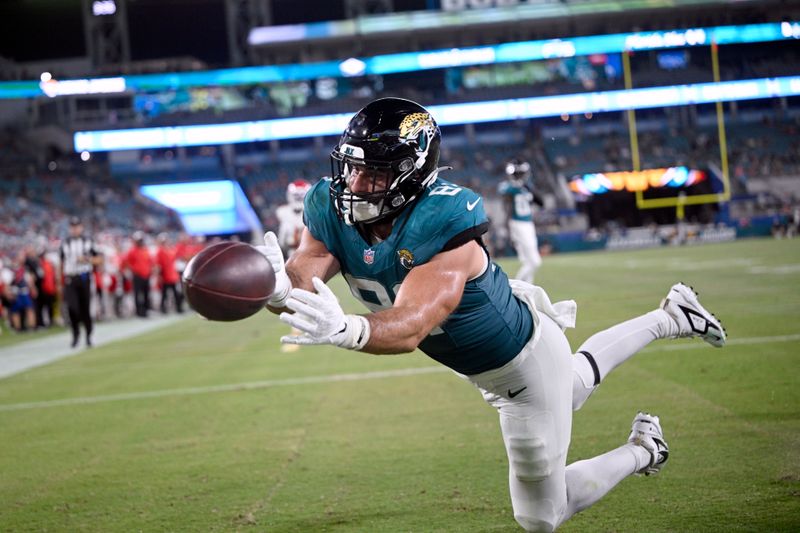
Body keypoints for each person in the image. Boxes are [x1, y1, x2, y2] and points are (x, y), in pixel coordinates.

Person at [259, 98, 727, 532]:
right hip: (494, 363)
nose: (356, 185)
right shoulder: (328, 204)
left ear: (411, 174)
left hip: (523, 367)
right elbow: (305, 277)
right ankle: (672, 315)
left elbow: (413, 322)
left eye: (375, 174)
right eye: (353, 168)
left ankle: (644, 450)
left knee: (541, 516)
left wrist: (347, 328)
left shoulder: (443, 219)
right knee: (576, 379)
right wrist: (277, 287)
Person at [273, 178, 311, 352]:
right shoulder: (286, 213)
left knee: (297, 296)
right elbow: (284, 240)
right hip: (296, 258)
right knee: (301, 295)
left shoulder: (309, 211)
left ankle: (298, 331)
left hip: (307, 258)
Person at [498, 158, 544, 284]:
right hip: (518, 224)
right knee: (535, 261)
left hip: (528, 224)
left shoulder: (527, 187)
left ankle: (527, 293)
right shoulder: (508, 188)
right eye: (518, 173)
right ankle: (513, 287)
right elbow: (506, 206)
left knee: (528, 262)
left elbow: (541, 202)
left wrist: (527, 187)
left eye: (521, 173)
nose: (520, 176)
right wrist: (508, 229)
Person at [60, 217, 102, 347]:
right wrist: (58, 282)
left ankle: (89, 335)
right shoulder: (65, 243)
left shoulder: (88, 241)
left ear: (81, 227)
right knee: (72, 308)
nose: (75, 229)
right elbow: (61, 263)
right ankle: (75, 334)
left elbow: (99, 259)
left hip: (84, 277)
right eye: (72, 226)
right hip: (70, 278)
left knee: (85, 308)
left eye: (77, 226)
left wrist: (87, 259)